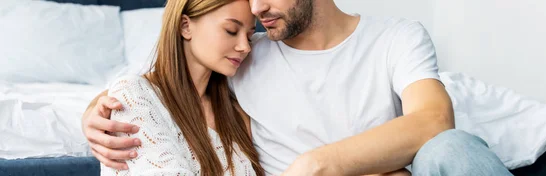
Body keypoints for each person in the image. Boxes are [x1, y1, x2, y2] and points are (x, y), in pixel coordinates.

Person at [83, 0, 513, 175]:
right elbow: (166, 84)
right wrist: (99, 108)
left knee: (453, 148)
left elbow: (435, 120)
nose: (257, 9)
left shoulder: (396, 37)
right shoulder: (247, 55)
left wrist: (314, 166)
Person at [97, 0, 264, 175]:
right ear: (185, 26)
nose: (245, 47)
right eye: (231, 31)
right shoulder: (134, 95)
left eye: (250, 36)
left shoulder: (236, 115)